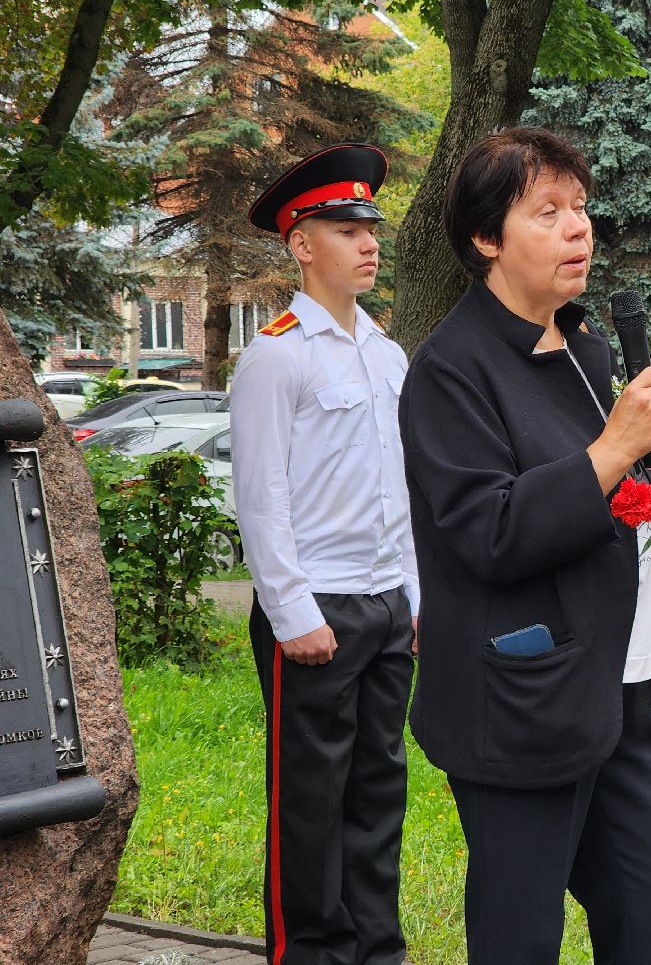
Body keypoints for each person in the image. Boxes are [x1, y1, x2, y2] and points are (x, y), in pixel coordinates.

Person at [399, 126, 651, 965]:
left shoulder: (586, 345)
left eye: (580, 208)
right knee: (521, 935)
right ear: (485, 238)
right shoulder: (449, 369)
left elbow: (619, 489)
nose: (578, 228)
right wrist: (612, 449)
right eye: (547, 212)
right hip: (523, 699)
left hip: (623, 686)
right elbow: (490, 531)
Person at [230, 143, 419, 964]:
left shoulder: (387, 354)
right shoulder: (277, 354)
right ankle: (310, 953)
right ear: (301, 244)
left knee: (378, 796)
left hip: (384, 608)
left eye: (370, 227)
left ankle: (375, 951)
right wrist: (292, 612)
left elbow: (403, 491)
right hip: (317, 614)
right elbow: (261, 496)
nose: (367, 242)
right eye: (345, 229)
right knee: (310, 804)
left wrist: (416, 601)